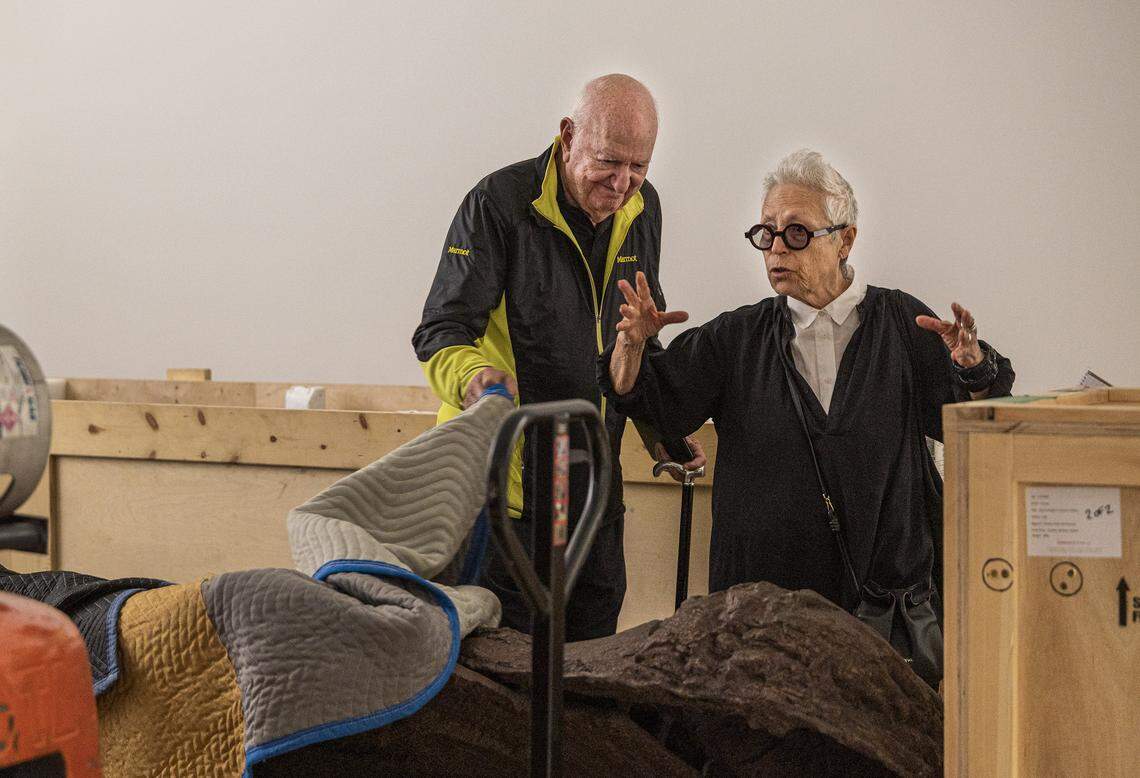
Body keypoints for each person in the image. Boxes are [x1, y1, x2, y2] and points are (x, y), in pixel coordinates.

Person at [599, 148, 1014, 617]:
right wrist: (631, 346)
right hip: (762, 613)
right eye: (766, 233)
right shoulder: (736, 338)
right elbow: (653, 402)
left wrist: (972, 364)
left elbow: (976, 424)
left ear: (845, 240)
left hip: (882, 612)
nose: (776, 248)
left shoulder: (901, 323)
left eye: (796, 232)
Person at [412, 74, 704, 641]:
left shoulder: (644, 209)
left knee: (591, 673)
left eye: (638, 167)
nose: (622, 184)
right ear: (567, 136)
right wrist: (476, 379)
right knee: (507, 687)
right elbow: (440, 330)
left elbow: (632, 336)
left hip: (595, 493)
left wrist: (658, 427)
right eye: (608, 163)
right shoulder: (498, 203)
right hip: (503, 495)